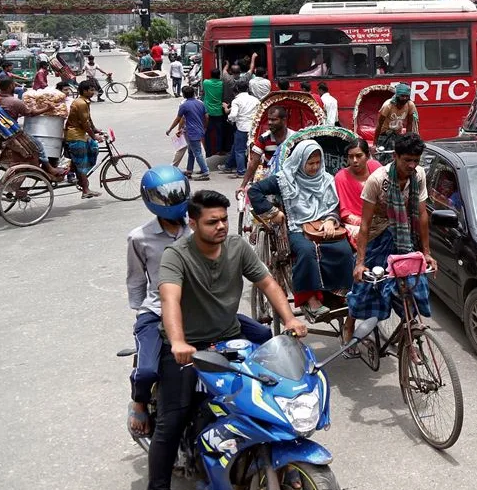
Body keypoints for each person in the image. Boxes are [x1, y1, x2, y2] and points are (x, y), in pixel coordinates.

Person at [148, 190, 307, 490]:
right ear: (193, 223)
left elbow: (268, 283)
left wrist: (290, 319)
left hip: (229, 337)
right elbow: (170, 299)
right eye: (212, 222)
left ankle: (279, 460)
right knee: (173, 420)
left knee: (267, 395)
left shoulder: (237, 247)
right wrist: (179, 342)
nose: (221, 226)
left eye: (223, 219)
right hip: (188, 347)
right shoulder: (176, 255)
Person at [126, 167, 272, 437]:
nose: (171, 201)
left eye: (176, 193)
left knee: (264, 336)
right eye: (163, 196)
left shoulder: (200, 227)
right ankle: (139, 403)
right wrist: (142, 316)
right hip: (158, 313)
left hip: (204, 309)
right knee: (147, 371)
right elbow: (136, 281)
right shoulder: (139, 238)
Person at [247, 141, 356, 320]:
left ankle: (337, 295)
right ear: (300, 161)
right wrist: (273, 212)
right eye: (310, 163)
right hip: (296, 227)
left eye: (317, 163)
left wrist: (330, 220)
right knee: (306, 251)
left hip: (324, 227)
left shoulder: (327, 179)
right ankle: (311, 299)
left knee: (343, 249)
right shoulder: (284, 179)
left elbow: (334, 206)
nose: (314, 167)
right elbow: (255, 191)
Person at [349, 133, 437, 339]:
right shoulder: (377, 180)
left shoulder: (419, 175)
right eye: (407, 160)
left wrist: (427, 253)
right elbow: (365, 224)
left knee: (413, 282)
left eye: (416, 160)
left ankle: (409, 323)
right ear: (395, 156)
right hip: (377, 235)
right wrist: (360, 262)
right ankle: (350, 324)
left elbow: (422, 215)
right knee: (366, 286)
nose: (412, 165)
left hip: (405, 234)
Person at [237, 104, 296, 194]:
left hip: (291, 179)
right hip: (270, 179)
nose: (269, 122)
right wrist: (242, 186)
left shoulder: (294, 138)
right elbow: (254, 163)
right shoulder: (264, 138)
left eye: (274, 120)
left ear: (284, 120)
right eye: (269, 119)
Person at [334, 138, 383, 244]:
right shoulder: (341, 177)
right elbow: (345, 212)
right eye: (351, 157)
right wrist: (365, 222)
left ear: (367, 156)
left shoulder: (376, 167)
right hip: (356, 223)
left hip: (380, 217)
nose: (355, 160)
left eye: (359, 156)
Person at [64, 80, 104, 198]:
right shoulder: (81, 103)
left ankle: (80, 179)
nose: (93, 92)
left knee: (92, 150)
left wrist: (96, 130)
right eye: (91, 90)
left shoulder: (84, 102)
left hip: (80, 135)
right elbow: (85, 124)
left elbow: (89, 120)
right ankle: (85, 190)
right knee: (82, 162)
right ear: (84, 91)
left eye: (93, 89)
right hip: (76, 136)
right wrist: (94, 136)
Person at [166, 85, 211, 181]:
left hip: (191, 132)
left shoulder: (184, 105)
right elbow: (206, 116)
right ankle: (189, 170)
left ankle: (205, 171)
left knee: (197, 153)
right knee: (191, 152)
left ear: (184, 95)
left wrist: (170, 129)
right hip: (199, 130)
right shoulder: (201, 103)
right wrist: (204, 127)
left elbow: (179, 119)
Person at [226, 80, 260, 179]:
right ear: (248, 88)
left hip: (241, 128)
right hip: (253, 128)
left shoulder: (236, 101)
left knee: (240, 150)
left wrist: (229, 119)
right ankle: (230, 165)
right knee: (253, 150)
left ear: (237, 89)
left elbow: (233, 115)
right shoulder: (255, 100)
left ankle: (241, 171)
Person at [376, 83, 419, 149]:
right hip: (384, 134)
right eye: (402, 96)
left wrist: (407, 139)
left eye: (407, 96)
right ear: (397, 95)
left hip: (397, 134)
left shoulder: (410, 105)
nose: (405, 98)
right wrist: (374, 143)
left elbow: (409, 123)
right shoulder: (388, 105)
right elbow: (379, 125)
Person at [202, 68, 227, 157]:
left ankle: (208, 152)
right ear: (219, 75)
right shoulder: (221, 84)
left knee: (208, 133)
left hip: (208, 113)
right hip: (219, 112)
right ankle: (219, 150)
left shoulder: (206, 83)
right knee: (219, 133)